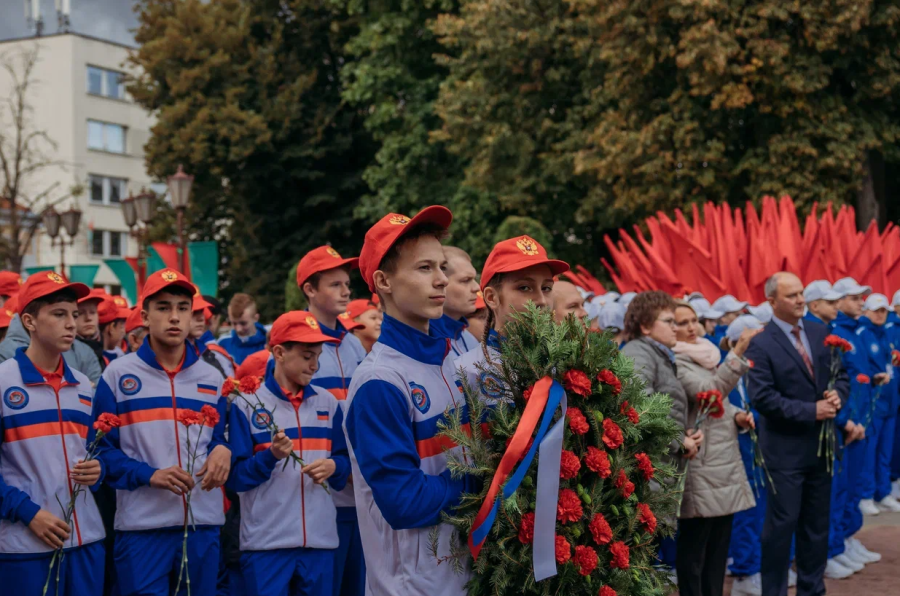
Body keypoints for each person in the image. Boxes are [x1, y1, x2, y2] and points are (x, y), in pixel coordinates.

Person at [343, 206, 477, 596]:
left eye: (441, 267)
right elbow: (404, 502)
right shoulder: (379, 381)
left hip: (467, 577)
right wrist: (485, 482)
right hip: (413, 588)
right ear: (383, 281)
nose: (441, 280)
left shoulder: (453, 359)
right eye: (424, 268)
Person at [93, 269, 232, 596]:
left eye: (183, 308)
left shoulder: (212, 379)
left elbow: (223, 439)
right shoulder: (117, 375)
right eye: (163, 307)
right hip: (142, 530)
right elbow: (100, 452)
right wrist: (150, 475)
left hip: (202, 526)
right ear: (144, 316)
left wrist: (223, 449)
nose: (174, 317)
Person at [227, 311, 351, 596]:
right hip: (265, 547)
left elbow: (344, 461)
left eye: (318, 356)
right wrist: (270, 456)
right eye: (308, 356)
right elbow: (235, 480)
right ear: (279, 352)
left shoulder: (328, 403)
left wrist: (334, 466)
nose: (315, 365)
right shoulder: (247, 404)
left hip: (320, 544)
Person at [0, 272, 105, 596]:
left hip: (86, 541)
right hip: (24, 546)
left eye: (74, 315)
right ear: (29, 321)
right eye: (59, 314)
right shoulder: (3, 382)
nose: (72, 323)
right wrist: (29, 514)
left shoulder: (83, 387)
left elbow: (97, 455)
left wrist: (99, 470)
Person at [745, 272, 849, 596]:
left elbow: (841, 376)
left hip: (821, 449)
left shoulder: (821, 333)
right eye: (792, 296)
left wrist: (837, 396)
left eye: (802, 293)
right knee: (780, 529)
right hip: (784, 452)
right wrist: (810, 411)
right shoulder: (761, 343)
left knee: (816, 529)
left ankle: (811, 590)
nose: (801, 300)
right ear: (772, 301)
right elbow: (762, 397)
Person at [296, 245, 369, 596]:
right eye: (335, 284)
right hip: (318, 493)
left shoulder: (354, 344)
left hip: (360, 489)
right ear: (310, 290)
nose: (346, 291)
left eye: (347, 284)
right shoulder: (293, 343)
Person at [671, 301, 757, 596]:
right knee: (695, 548)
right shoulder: (676, 362)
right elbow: (709, 394)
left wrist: (737, 415)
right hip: (701, 462)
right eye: (682, 322)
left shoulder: (706, 355)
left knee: (719, 548)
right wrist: (737, 354)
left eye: (693, 320)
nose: (691, 327)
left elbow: (722, 402)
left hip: (723, 461)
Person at [621, 291, 701, 574]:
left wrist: (685, 432)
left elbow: (665, 407)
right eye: (668, 321)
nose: (676, 327)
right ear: (645, 326)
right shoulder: (638, 352)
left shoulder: (655, 354)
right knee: (640, 565)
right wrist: (680, 440)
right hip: (646, 474)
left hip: (658, 469)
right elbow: (641, 408)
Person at [456, 235, 569, 402]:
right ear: (491, 298)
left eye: (546, 288)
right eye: (524, 287)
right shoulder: (466, 372)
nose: (542, 300)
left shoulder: (568, 365)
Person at [828, 277, 883, 570]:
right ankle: (832, 548)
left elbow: (858, 379)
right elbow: (839, 383)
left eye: (862, 297)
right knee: (838, 489)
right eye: (854, 297)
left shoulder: (856, 331)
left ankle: (846, 540)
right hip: (845, 425)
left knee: (852, 486)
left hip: (860, 420)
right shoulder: (835, 333)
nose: (861, 302)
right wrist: (847, 420)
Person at [723, 315, 767, 596]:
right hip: (737, 452)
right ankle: (743, 574)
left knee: (759, 512)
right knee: (745, 514)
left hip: (759, 450)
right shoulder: (725, 368)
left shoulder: (758, 368)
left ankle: (751, 566)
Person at [858, 294, 900, 513]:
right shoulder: (863, 334)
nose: (880, 314)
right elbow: (861, 369)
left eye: (883, 310)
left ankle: (882, 492)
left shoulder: (885, 334)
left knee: (885, 449)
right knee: (870, 449)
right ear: (866, 311)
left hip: (890, 402)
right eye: (876, 310)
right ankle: (865, 495)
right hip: (873, 402)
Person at [429, 246, 480, 357]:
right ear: (439, 283)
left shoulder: (469, 338)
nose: (477, 287)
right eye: (466, 280)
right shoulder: (426, 343)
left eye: (474, 279)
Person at [219, 293, 267, 365]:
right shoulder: (223, 343)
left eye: (243, 323)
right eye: (234, 323)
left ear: (256, 318)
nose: (239, 329)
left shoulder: (268, 342)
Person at [76, 289, 107, 371]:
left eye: (92, 312)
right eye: (80, 313)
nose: (88, 318)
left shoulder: (108, 347)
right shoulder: (64, 351)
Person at [96, 297, 130, 365]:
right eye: (121, 326)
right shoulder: (95, 359)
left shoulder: (119, 354)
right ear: (111, 328)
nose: (123, 331)